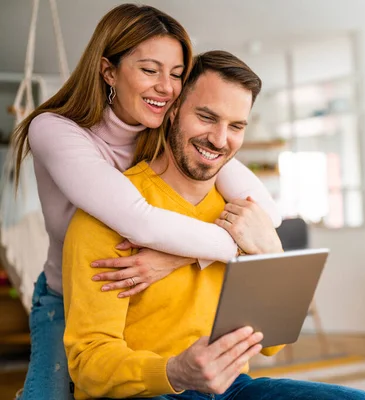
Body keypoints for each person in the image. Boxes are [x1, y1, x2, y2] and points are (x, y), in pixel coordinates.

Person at [62, 49, 365, 400]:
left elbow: (272, 343)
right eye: (206, 117)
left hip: (232, 389)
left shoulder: (242, 213)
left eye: (236, 126)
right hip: (146, 391)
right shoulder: (109, 211)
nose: (219, 139)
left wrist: (269, 250)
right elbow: (88, 363)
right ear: (172, 112)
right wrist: (174, 371)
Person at [11, 4, 280, 399]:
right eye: (149, 70)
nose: (166, 87)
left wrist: (178, 258)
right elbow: (140, 222)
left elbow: (265, 214)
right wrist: (235, 248)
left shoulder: (165, 132)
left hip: (135, 294)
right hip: (66, 296)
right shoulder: (54, 129)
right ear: (109, 71)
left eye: (176, 74)